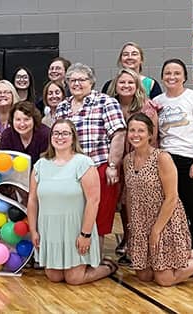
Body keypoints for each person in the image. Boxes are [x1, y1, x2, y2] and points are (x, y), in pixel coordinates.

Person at [123, 113, 193, 285]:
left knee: (164, 279)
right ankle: (192, 255)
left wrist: (156, 230)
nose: (135, 134)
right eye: (132, 130)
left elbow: (172, 197)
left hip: (165, 219)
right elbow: (131, 195)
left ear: (150, 134)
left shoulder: (162, 158)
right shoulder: (128, 160)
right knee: (144, 276)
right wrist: (133, 226)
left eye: (141, 130)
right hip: (142, 220)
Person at [27, 119, 117, 285]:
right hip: (50, 229)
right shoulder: (40, 165)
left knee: (74, 278)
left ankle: (108, 267)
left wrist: (85, 234)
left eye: (65, 133)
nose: (60, 137)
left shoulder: (83, 163)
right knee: (54, 277)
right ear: (50, 137)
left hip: (75, 229)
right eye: (56, 133)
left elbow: (93, 200)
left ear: (73, 137)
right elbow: (32, 200)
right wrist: (33, 231)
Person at [54, 63, 126, 254]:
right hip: (69, 171)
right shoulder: (62, 107)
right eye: (72, 80)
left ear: (91, 82)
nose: (76, 83)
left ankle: (96, 260)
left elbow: (118, 135)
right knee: (74, 216)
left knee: (99, 217)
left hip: (98, 167)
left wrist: (112, 165)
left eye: (81, 79)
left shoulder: (106, 102)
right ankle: (75, 259)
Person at [154, 58, 193, 252]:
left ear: (184, 77)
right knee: (172, 207)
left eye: (177, 73)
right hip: (167, 160)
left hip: (191, 160)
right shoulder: (158, 102)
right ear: (162, 77)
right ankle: (177, 251)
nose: (172, 77)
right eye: (168, 73)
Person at [107, 67, 160, 264]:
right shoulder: (111, 105)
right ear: (116, 85)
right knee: (123, 202)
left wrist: (143, 163)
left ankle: (142, 243)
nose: (126, 86)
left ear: (136, 86)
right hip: (118, 159)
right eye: (122, 82)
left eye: (130, 82)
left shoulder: (147, 107)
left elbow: (152, 139)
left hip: (139, 159)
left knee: (138, 202)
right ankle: (129, 239)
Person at [0, 101, 50, 166]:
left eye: (26, 119)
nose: (22, 124)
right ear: (12, 120)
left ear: (34, 119)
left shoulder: (45, 134)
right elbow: (3, 164)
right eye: (18, 119)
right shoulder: (7, 135)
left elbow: (45, 165)